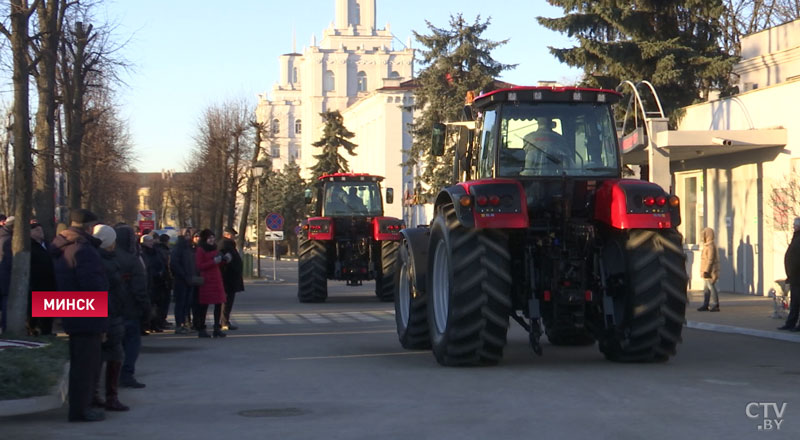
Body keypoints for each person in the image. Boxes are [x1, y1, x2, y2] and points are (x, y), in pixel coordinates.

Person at [51, 209, 108, 422]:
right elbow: (93, 286)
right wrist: (103, 321)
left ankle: (80, 406)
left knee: (80, 362)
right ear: (89, 227)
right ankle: (80, 410)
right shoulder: (83, 250)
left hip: (72, 310)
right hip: (86, 314)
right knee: (86, 364)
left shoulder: (63, 245)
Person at [91, 224, 129, 411]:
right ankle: (109, 396)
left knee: (103, 356)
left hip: (111, 312)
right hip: (109, 314)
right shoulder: (103, 262)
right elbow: (104, 292)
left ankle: (97, 394)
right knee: (114, 355)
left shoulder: (105, 258)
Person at [114, 224, 150, 389]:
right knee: (131, 343)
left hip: (111, 308)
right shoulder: (132, 260)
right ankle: (126, 375)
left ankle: (113, 377)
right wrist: (145, 308)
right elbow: (139, 289)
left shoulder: (107, 256)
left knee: (114, 345)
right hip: (130, 308)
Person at [195, 229, 227, 338]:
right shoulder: (200, 250)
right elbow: (200, 265)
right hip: (206, 280)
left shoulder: (215, 248)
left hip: (217, 279)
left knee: (219, 304)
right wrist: (213, 262)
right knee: (204, 305)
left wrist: (224, 260)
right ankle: (201, 328)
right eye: (209, 238)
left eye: (213, 237)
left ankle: (216, 328)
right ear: (204, 239)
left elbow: (218, 261)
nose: (212, 240)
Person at [28, 220, 56, 336]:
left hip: (50, 281)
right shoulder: (30, 246)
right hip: (37, 282)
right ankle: (34, 329)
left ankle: (47, 331)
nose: (40, 232)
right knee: (35, 310)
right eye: (37, 230)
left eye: (41, 230)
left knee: (49, 309)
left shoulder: (47, 245)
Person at [170, 227, 198, 334]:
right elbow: (174, 264)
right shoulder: (179, 247)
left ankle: (184, 324)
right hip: (181, 280)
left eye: (188, 234)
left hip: (189, 279)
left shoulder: (189, 248)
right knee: (180, 303)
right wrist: (183, 275)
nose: (187, 236)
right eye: (185, 234)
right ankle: (179, 325)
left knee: (187, 303)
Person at [140, 234, 166, 332]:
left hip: (157, 281)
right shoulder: (143, 253)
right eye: (149, 241)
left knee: (157, 304)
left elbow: (160, 263)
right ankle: (147, 324)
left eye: (152, 241)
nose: (151, 243)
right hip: (149, 281)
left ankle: (155, 323)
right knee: (149, 304)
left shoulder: (155, 251)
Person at [219, 227, 244, 331]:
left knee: (228, 301)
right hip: (227, 278)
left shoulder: (229, 244)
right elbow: (224, 262)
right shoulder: (224, 245)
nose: (234, 238)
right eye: (233, 235)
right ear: (228, 235)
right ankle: (224, 322)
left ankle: (225, 321)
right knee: (226, 301)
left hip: (231, 278)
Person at [779, 217, 800, 331]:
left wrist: (793, 272)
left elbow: (796, 259)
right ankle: (790, 323)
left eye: (795, 225)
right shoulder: (795, 238)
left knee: (797, 301)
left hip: (797, 276)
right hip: (794, 277)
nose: (793, 226)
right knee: (794, 302)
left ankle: (795, 324)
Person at [697, 227, 721, 312]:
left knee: (711, 287)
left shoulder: (710, 246)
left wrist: (707, 270)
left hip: (710, 271)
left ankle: (715, 304)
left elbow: (710, 259)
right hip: (706, 271)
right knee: (706, 288)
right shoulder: (707, 245)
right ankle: (705, 304)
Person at [0, 216, 13, 333]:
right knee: (6, 298)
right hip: (5, 274)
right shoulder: (7, 239)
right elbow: (8, 260)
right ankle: (5, 327)